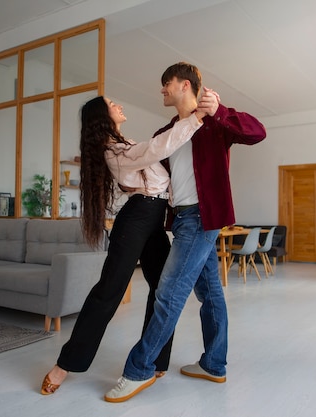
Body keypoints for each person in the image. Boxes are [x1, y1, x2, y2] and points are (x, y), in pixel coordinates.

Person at [104, 62, 267, 402]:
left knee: (168, 293)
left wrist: (221, 111)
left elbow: (257, 132)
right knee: (211, 294)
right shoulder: (169, 130)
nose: (162, 89)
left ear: (186, 85)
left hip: (201, 219)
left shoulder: (214, 120)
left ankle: (139, 369)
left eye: (167, 82)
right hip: (181, 220)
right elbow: (152, 170)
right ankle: (214, 364)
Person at [41, 95, 205, 395]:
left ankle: (154, 360)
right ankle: (64, 364)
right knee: (109, 291)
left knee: (162, 290)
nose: (119, 104)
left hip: (153, 217)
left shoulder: (124, 144)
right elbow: (157, 149)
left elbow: (157, 169)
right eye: (111, 103)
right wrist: (194, 119)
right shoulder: (112, 148)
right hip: (137, 218)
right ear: (101, 115)